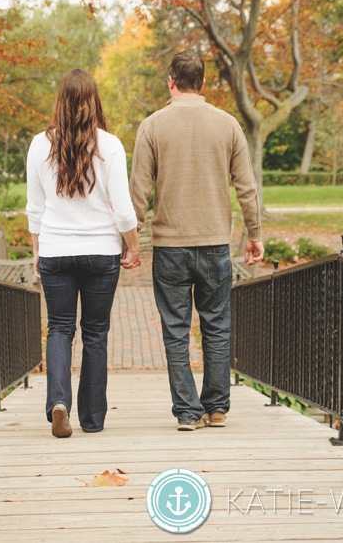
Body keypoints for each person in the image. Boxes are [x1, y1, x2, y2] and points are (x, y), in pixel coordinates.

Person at [130, 45, 263, 431]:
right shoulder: (228, 124)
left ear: (170, 82)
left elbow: (138, 191)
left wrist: (131, 240)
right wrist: (254, 233)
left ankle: (188, 413)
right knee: (217, 324)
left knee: (176, 329)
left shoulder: (152, 126)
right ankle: (217, 407)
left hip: (170, 247)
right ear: (202, 83)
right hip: (215, 243)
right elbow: (247, 187)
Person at [26, 65, 141, 438]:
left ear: (60, 100)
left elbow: (35, 208)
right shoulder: (110, 145)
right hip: (100, 253)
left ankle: (59, 402)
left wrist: (37, 251)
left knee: (59, 328)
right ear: (94, 101)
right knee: (95, 333)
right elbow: (122, 208)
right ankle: (92, 419)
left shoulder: (39, 144)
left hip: (56, 250)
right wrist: (133, 245)